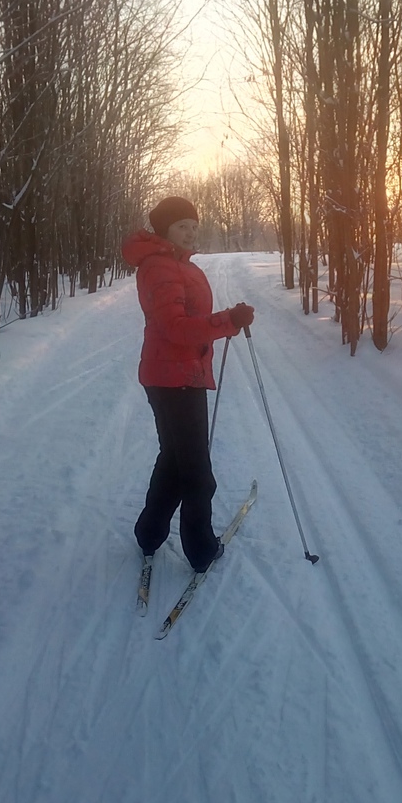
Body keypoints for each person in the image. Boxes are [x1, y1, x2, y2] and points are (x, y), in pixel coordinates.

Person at [122, 195, 254, 572]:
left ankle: (149, 533)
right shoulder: (160, 267)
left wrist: (226, 319)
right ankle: (200, 550)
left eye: (194, 226)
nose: (191, 232)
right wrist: (227, 321)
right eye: (183, 226)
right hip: (174, 378)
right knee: (197, 472)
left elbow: (187, 319)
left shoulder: (179, 265)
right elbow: (175, 328)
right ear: (165, 230)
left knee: (175, 459)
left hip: (178, 374)